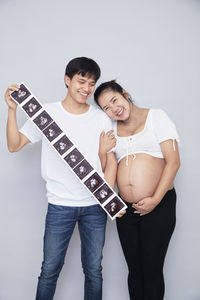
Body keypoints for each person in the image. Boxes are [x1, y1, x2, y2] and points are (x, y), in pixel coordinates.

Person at [4, 57, 118, 300]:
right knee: (49, 270)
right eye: (81, 80)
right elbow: (14, 146)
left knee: (94, 271)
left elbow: (110, 161)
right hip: (60, 205)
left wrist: (108, 198)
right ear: (68, 80)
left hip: (95, 207)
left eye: (91, 83)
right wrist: (12, 110)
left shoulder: (100, 117)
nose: (86, 88)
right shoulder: (47, 113)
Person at [94, 80, 181, 300]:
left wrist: (154, 200)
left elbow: (173, 163)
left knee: (151, 269)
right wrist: (102, 153)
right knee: (134, 270)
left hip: (158, 205)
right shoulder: (111, 129)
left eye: (114, 100)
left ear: (125, 94)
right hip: (126, 210)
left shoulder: (156, 117)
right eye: (106, 108)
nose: (113, 109)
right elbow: (109, 168)